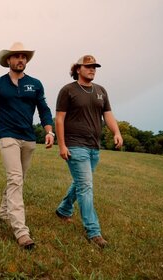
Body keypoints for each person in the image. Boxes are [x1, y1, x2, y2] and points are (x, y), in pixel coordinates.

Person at [0, 42, 55, 249]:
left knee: (19, 178)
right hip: (8, 137)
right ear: (8, 60)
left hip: (29, 138)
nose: (20, 59)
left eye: (24, 56)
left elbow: (44, 109)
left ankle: (4, 212)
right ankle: (21, 232)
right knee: (15, 179)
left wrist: (49, 131)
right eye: (16, 56)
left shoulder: (35, 84)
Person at [54, 55, 123, 248]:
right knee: (86, 187)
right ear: (78, 69)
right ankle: (94, 231)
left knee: (81, 183)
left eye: (94, 67)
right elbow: (59, 119)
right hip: (75, 145)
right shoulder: (68, 90)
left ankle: (63, 210)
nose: (92, 69)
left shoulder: (101, 91)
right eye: (88, 66)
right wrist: (62, 145)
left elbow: (107, 114)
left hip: (94, 147)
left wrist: (116, 132)